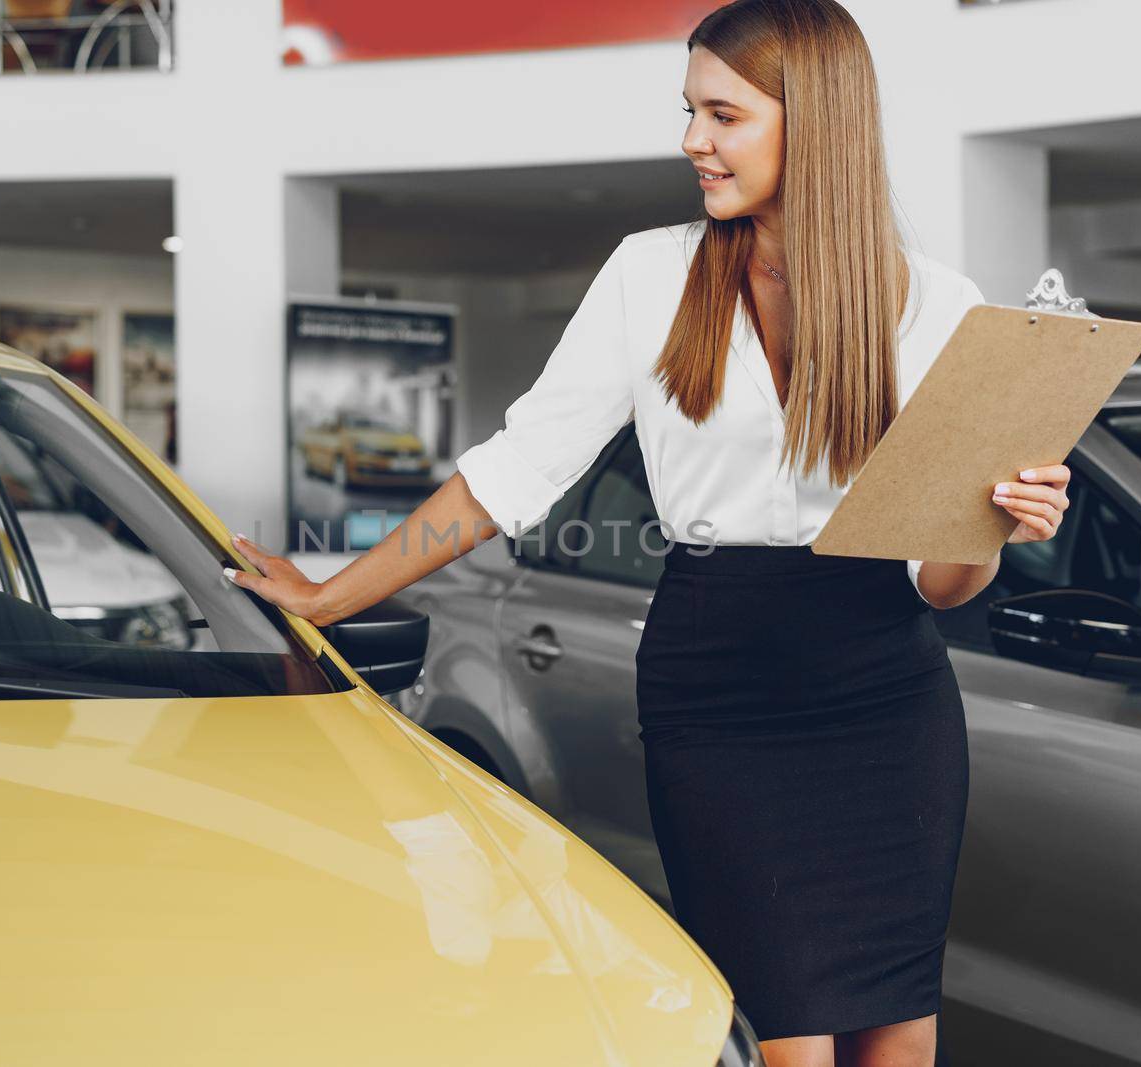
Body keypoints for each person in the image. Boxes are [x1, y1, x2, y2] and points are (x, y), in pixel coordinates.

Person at [222, 1, 1070, 1064]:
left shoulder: (936, 305)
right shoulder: (649, 274)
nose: (691, 142)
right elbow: (518, 467)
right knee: (792, 1041)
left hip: (884, 693)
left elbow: (943, 584)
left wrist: (991, 521)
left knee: (898, 1040)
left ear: (814, 120)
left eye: (721, 114)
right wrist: (332, 592)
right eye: (689, 112)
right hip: (719, 683)